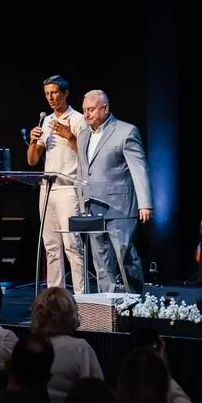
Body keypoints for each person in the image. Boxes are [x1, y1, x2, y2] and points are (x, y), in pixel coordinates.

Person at [77, 89, 153, 294]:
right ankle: (106, 304)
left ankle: (136, 301)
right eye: (84, 110)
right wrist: (81, 202)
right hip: (92, 207)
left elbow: (139, 168)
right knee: (101, 261)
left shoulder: (126, 131)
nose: (87, 114)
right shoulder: (83, 135)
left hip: (119, 207)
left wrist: (145, 203)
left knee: (125, 257)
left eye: (91, 109)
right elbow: (83, 170)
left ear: (105, 108)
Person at [27, 75, 87, 294]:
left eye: (54, 93)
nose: (51, 98)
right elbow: (32, 160)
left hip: (68, 189)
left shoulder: (78, 119)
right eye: (47, 94)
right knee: (51, 247)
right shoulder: (46, 120)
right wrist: (34, 140)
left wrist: (70, 136)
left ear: (65, 94)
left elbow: (88, 156)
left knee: (72, 244)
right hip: (47, 188)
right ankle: (55, 296)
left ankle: (81, 297)